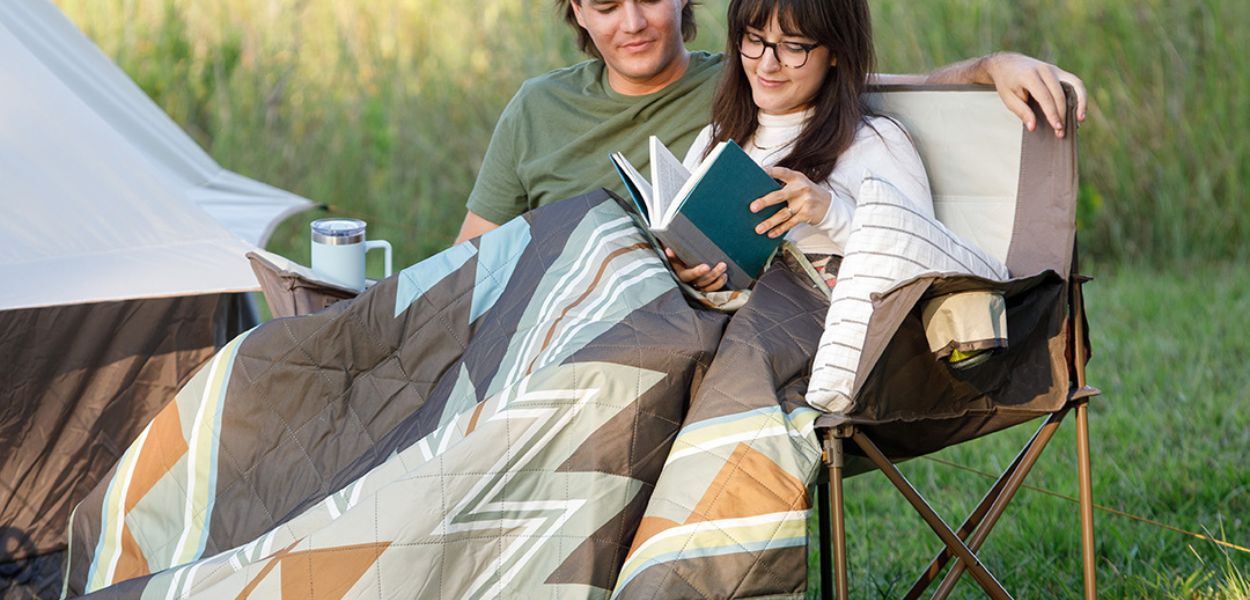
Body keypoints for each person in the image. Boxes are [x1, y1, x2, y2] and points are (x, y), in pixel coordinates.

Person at [455, 0, 1087, 245]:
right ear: (576, 11)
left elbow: (868, 86)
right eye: (605, 4)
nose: (632, 24)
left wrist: (994, 64)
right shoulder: (535, 107)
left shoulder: (746, 83)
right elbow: (469, 257)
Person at [674, 0, 920, 291]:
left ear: (836, 52)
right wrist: (687, 272)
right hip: (717, 327)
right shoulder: (714, 138)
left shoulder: (877, 140)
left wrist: (830, 213)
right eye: (754, 39)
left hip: (821, 329)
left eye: (793, 47)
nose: (767, 64)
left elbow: (926, 265)